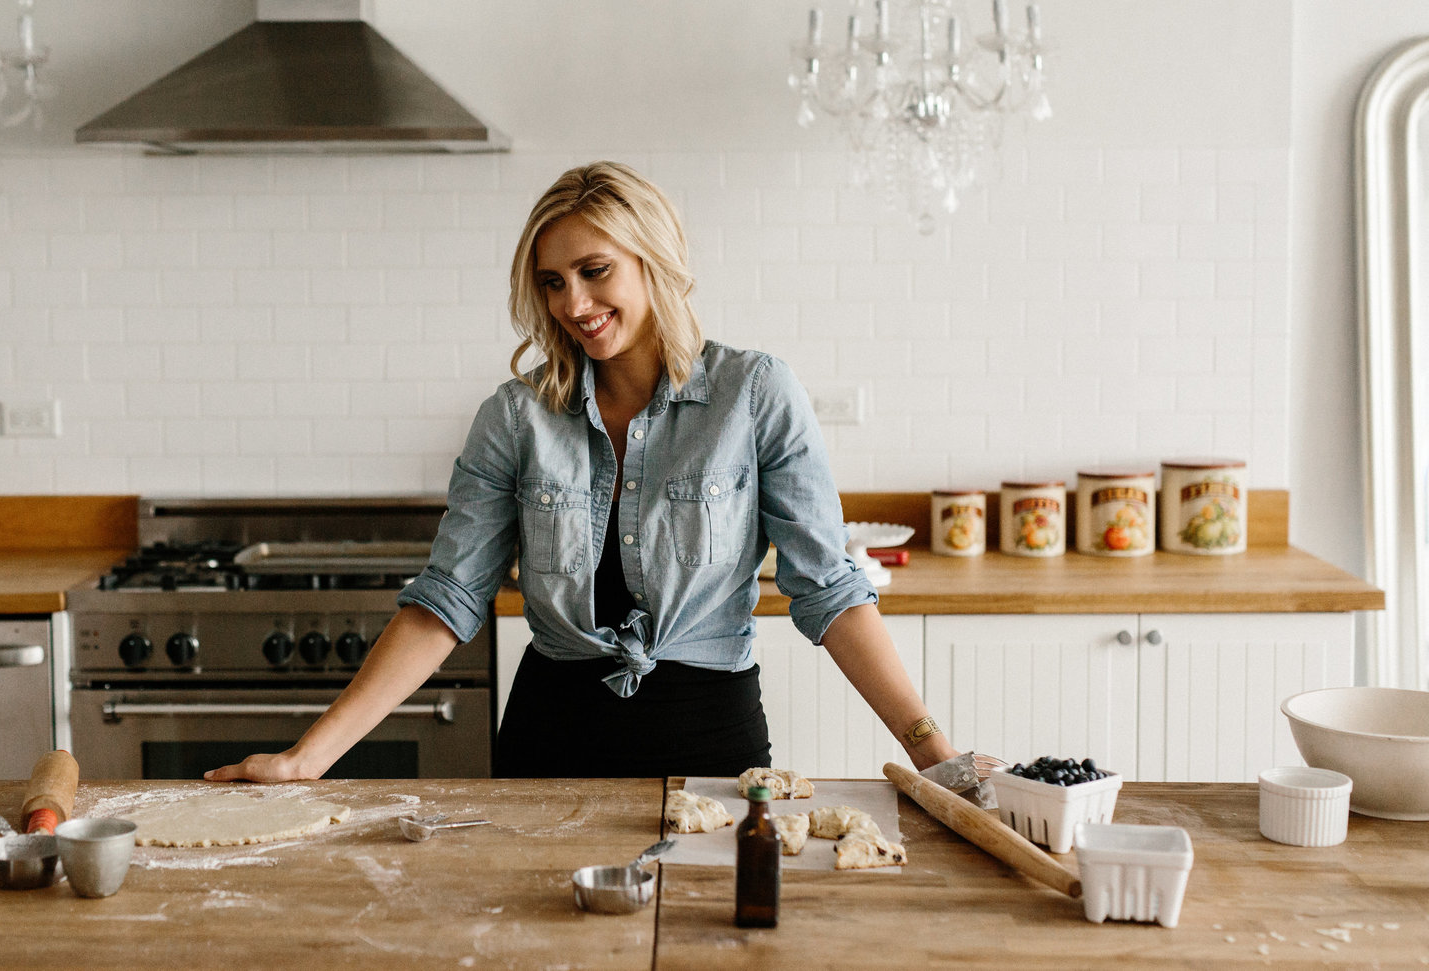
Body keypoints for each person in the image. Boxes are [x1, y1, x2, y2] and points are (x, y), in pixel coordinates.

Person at [205, 161, 959, 783]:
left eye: (594, 271)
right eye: (552, 281)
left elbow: (828, 592)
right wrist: (308, 759)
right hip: (548, 741)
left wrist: (935, 755)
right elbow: (446, 601)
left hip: (710, 742)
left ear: (653, 261)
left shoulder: (753, 394)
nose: (574, 303)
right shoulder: (515, 415)